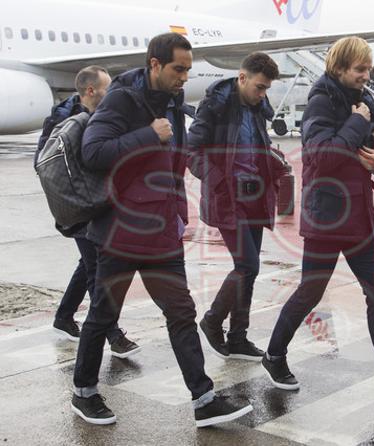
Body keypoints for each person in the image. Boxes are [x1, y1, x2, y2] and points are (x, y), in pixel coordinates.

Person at [71, 33, 253, 427]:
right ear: (155, 64)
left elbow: (175, 158)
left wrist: (178, 211)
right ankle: (84, 391)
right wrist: (147, 136)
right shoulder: (121, 99)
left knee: (181, 313)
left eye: (187, 69)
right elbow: (93, 151)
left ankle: (204, 399)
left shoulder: (172, 101)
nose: (184, 77)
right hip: (120, 230)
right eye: (178, 68)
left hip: (161, 232)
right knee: (104, 314)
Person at [262, 36, 374, 402]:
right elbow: (322, 156)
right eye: (360, 69)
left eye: (369, 68)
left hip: (360, 216)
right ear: (339, 68)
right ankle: (274, 355)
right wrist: (357, 123)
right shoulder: (320, 103)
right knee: (310, 291)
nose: (367, 75)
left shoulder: (365, 101)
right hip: (327, 215)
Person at [187, 53, 288, 361]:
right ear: (242, 78)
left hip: (255, 195)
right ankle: (212, 320)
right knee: (247, 266)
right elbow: (191, 151)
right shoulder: (215, 104)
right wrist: (220, 181)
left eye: (266, 88)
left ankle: (238, 336)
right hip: (228, 199)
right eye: (259, 87)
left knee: (249, 270)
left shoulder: (258, 107)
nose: (263, 94)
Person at [35, 66, 140, 358]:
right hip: (82, 206)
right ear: (91, 91)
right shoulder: (65, 119)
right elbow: (43, 163)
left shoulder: (100, 117)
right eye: (108, 89)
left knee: (88, 263)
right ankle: (112, 334)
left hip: (96, 204)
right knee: (98, 272)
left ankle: (63, 317)